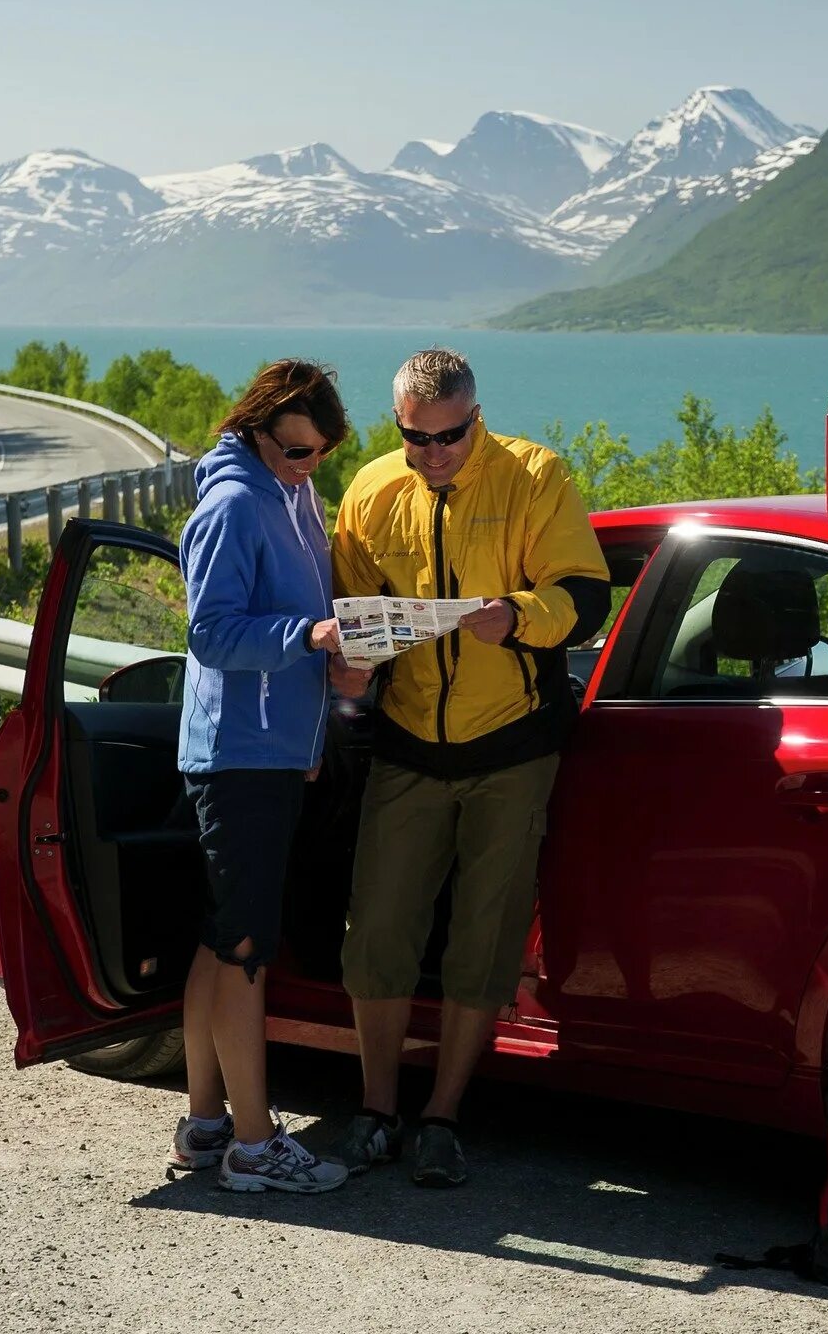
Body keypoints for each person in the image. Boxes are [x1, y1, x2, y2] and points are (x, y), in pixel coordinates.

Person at [327, 347, 611, 1188]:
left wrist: (519, 614)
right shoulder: (373, 491)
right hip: (408, 744)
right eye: (415, 438)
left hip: (513, 747)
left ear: (475, 418)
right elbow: (352, 616)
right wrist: (348, 665)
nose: (431, 454)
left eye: (448, 437)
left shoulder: (535, 477)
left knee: (483, 944)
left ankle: (443, 1117)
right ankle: (376, 1111)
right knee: (376, 933)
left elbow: (587, 596)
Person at [170, 359, 367, 1194]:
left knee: (224, 943)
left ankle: (206, 1124)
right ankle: (254, 1146)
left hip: (273, 752)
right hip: (237, 759)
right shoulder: (232, 503)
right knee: (248, 950)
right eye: (294, 452)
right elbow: (212, 635)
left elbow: (298, 628)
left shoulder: (293, 495)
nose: (307, 466)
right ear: (254, 430)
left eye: (319, 453)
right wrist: (311, 639)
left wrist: (325, 697)